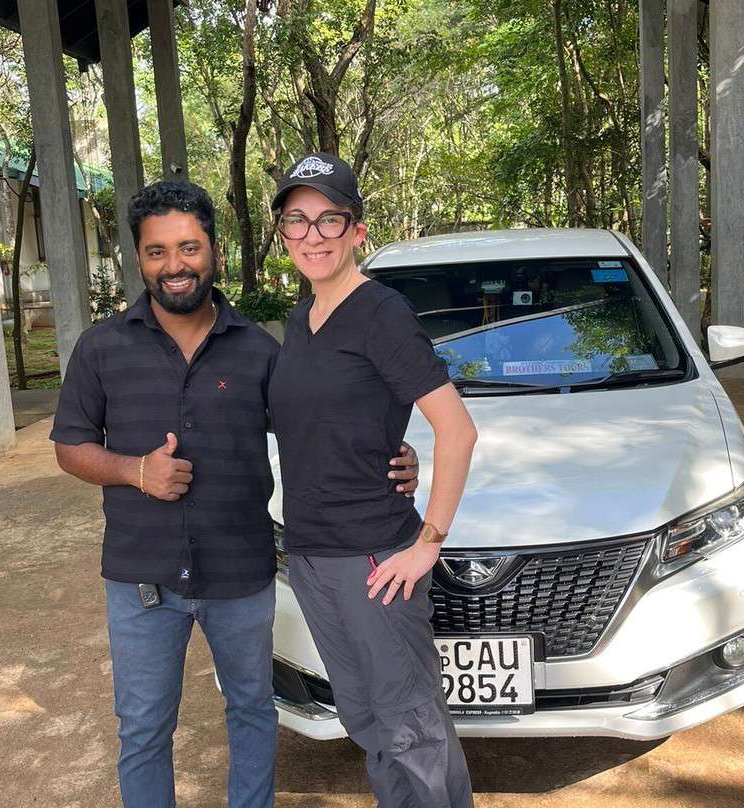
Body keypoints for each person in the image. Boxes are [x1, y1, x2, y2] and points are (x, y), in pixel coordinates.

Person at [50, 181, 419, 808]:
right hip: (141, 579)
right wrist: (136, 471)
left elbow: (317, 420)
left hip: (241, 574)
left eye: (189, 248)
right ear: (139, 259)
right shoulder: (101, 348)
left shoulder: (261, 351)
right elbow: (70, 446)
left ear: (215, 252)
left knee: (252, 709)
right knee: (143, 728)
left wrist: (391, 450)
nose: (175, 265)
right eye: (157, 251)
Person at [267, 153, 478, 808]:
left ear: (356, 230)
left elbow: (458, 430)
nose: (313, 234)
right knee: (365, 722)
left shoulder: (381, 312)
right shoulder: (300, 321)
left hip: (374, 559)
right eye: (297, 219)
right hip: (311, 555)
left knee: (411, 729)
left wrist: (428, 543)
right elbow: (325, 422)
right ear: (283, 233)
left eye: (329, 218)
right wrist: (393, 448)